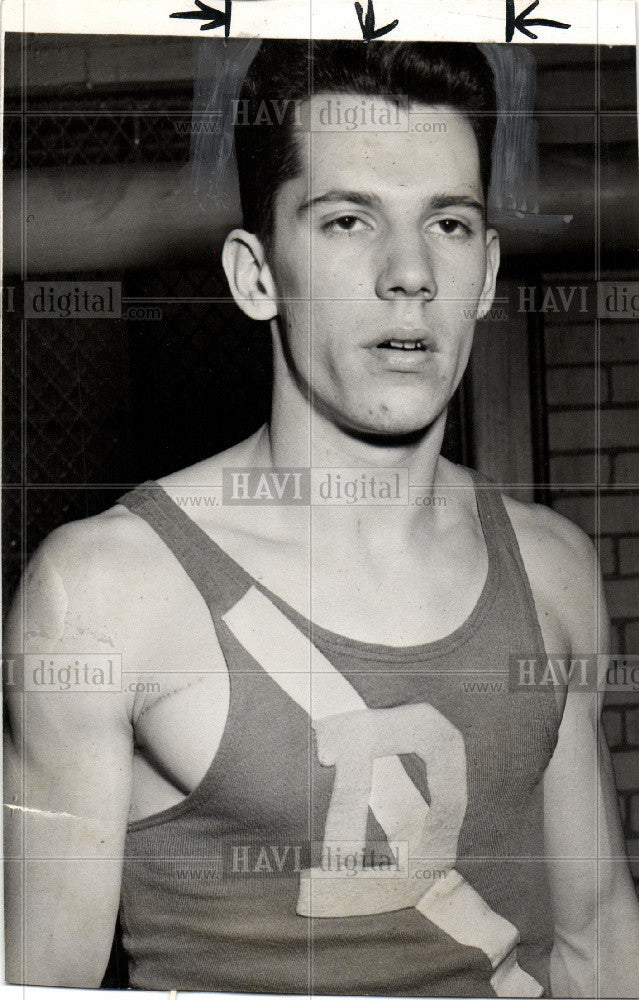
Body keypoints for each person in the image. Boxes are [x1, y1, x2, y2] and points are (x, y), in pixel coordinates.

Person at [4, 39, 639, 998]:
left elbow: (596, 939)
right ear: (255, 275)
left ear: (490, 272)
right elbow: (37, 986)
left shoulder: (552, 566)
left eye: (451, 225)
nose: (409, 273)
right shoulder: (101, 593)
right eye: (348, 220)